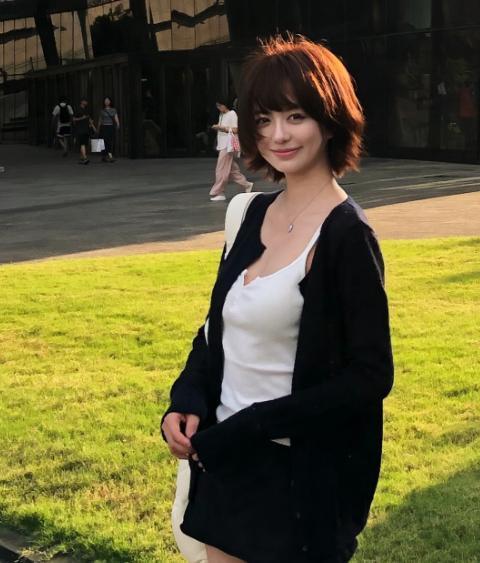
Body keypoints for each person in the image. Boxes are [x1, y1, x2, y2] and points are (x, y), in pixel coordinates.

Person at [160, 34, 394, 563]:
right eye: (263, 119)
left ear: (330, 120)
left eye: (295, 116)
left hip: (295, 478)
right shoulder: (249, 214)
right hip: (225, 465)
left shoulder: (346, 235)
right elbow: (217, 330)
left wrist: (254, 425)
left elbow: (370, 376)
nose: (277, 135)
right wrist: (187, 398)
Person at [208, 97, 254, 201]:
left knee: (221, 169)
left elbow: (236, 129)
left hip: (228, 145)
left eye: (220, 105)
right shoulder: (222, 115)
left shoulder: (232, 114)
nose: (219, 108)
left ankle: (219, 192)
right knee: (231, 169)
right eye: (217, 106)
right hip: (223, 144)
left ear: (225, 105)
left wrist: (222, 128)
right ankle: (246, 184)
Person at [72, 98, 96, 165]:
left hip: (86, 129)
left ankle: (82, 158)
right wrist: (81, 118)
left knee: (84, 143)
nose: (86, 103)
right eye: (85, 101)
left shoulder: (87, 110)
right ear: (82, 102)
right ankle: (85, 158)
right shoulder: (77, 109)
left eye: (87, 102)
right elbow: (74, 119)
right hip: (80, 129)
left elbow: (89, 119)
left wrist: (93, 126)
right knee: (82, 143)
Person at [96, 96, 119, 162]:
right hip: (103, 127)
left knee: (109, 141)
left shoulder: (113, 110)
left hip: (110, 127)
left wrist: (118, 123)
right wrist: (98, 128)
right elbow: (100, 120)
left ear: (110, 101)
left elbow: (116, 117)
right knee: (103, 142)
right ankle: (104, 156)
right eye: (105, 100)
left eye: (108, 100)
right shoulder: (102, 111)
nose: (106, 102)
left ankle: (109, 156)